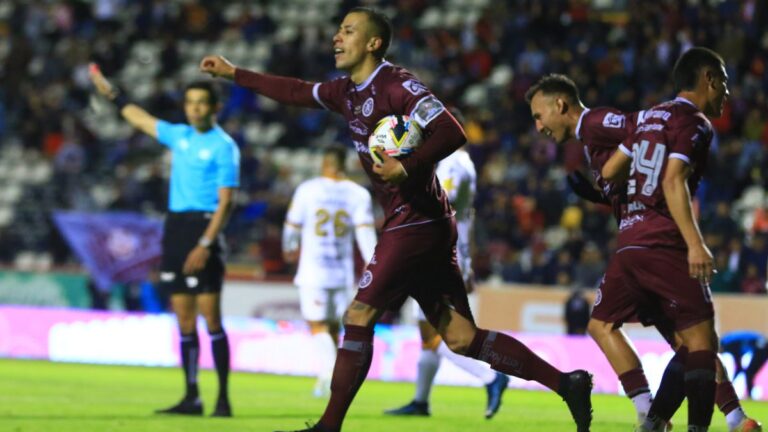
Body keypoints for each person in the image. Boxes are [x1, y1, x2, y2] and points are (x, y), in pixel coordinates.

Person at [201, 7, 592, 432]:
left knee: (359, 315)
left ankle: (328, 427)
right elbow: (295, 90)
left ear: (373, 43)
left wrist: (408, 167)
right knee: (461, 338)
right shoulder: (346, 92)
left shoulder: (398, 85)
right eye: (338, 30)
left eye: (348, 31)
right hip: (423, 222)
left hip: (415, 222)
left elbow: (452, 132)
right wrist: (234, 73)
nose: (336, 37)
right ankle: (567, 382)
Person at [526, 72, 760, 432]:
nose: (538, 125)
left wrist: (612, 171)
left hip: (654, 239)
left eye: (539, 116)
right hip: (642, 239)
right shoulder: (589, 137)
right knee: (679, 340)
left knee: (672, 338)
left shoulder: (596, 122)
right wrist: (605, 192)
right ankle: (730, 417)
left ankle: (656, 415)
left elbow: (647, 126)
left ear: (560, 105)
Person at [89, 65, 239, 417]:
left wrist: (206, 243)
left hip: (204, 228)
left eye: (201, 103)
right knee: (184, 319)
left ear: (215, 108)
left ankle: (222, 399)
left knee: (211, 318)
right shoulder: (180, 136)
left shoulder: (224, 147)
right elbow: (140, 119)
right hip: (176, 228)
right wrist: (114, 94)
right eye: (190, 103)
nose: (194, 109)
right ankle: (192, 397)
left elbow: (227, 201)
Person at [601, 47, 729, 432]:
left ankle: (654, 422)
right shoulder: (695, 122)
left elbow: (609, 172)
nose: (727, 92)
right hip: (663, 241)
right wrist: (694, 243)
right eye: (724, 82)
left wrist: (636, 202)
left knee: (689, 343)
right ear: (708, 79)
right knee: (703, 343)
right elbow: (673, 179)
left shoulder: (644, 118)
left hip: (628, 245)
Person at [384, 120, 510, 419]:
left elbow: (444, 200)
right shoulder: (464, 163)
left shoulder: (453, 162)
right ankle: (420, 401)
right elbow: (466, 215)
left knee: (433, 334)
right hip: (451, 250)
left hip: (437, 252)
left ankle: (491, 377)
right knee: (430, 335)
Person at [282, 145, 377, 398]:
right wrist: (374, 262)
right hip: (342, 272)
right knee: (333, 328)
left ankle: (330, 375)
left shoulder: (308, 190)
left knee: (317, 325)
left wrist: (289, 246)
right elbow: (365, 232)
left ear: (324, 164)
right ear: (344, 165)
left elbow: (292, 225)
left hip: (313, 270)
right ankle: (334, 379)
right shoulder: (358, 194)